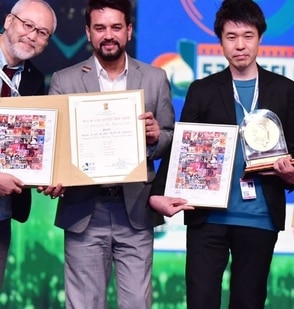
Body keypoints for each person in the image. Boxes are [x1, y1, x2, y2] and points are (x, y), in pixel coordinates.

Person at [148, 0, 294, 308]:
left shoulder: (284, 89)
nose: (240, 45)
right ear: (220, 41)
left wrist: (292, 174)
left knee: (249, 301)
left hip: (259, 218)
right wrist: (157, 193)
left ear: (260, 37)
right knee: (201, 300)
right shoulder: (202, 89)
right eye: (231, 37)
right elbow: (182, 145)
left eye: (248, 35)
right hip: (208, 217)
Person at [37, 0, 174, 308]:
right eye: (100, 28)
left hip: (135, 210)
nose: (108, 35)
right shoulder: (64, 80)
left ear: (129, 31)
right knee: (84, 304)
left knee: (138, 303)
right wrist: (54, 174)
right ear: (88, 32)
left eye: (115, 27)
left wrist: (154, 138)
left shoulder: (154, 78)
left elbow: (170, 137)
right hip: (85, 209)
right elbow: (53, 145)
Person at [0, 0, 56, 287]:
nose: (33, 35)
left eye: (43, 32)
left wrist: (52, 175)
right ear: (9, 21)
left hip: (2, 213)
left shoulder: (35, 79)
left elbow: (32, 145)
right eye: (28, 25)